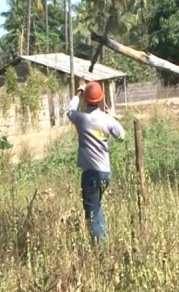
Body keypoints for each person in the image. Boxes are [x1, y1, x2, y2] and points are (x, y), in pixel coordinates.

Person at [66, 80, 126, 242]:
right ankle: (103, 239)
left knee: (91, 211)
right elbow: (121, 136)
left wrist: (79, 92)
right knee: (97, 206)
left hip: (90, 174)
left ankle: (99, 247)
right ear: (101, 99)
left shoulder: (81, 118)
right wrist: (112, 115)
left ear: (86, 99)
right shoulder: (108, 120)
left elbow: (69, 110)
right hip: (105, 174)